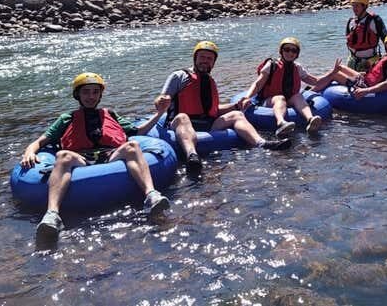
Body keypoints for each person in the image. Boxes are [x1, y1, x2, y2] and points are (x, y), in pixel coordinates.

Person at [20, 72, 171, 244]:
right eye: (86, 92)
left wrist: (159, 114)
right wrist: (29, 152)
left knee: (133, 146)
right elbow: (39, 142)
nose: (91, 96)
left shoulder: (110, 114)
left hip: (109, 156)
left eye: (95, 92)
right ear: (78, 95)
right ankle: (52, 214)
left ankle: (151, 196)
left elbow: (139, 132)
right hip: (81, 159)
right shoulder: (66, 119)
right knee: (62, 155)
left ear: (100, 95)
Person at [157, 41, 291, 176]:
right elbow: (161, 99)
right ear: (195, 58)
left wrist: (236, 105)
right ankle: (192, 156)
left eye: (209, 59)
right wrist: (162, 100)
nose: (205, 61)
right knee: (182, 117)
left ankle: (262, 143)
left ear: (213, 63)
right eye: (202, 57)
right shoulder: (179, 76)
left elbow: (214, 110)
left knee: (237, 114)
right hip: (179, 126)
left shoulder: (209, 80)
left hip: (207, 125)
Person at [237, 37, 340, 136]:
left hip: (288, 100)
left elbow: (315, 81)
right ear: (281, 51)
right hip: (268, 101)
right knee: (280, 98)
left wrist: (333, 72)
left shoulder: (297, 67)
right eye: (287, 49)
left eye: (293, 51)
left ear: (297, 54)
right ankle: (281, 123)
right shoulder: (271, 65)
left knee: (298, 96)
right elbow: (258, 84)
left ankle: (310, 119)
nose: (290, 53)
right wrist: (247, 97)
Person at [312, 32, 387, 99]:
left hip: (366, 85)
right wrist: (364, 73)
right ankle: (315, 84)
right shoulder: (386, 58)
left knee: (335, 74)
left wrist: (366, 91)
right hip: (364, 79)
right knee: (340, 67)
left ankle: (311, 92)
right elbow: (377, 72)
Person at [345, 0, 387, 72]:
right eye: (353, 6)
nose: (354, 9)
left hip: (370, 61)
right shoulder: (351, 21)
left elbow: (386, 39)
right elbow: (348, 39)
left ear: (364, 6)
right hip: (353, 60)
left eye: (357, 6)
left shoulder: (375, 20)